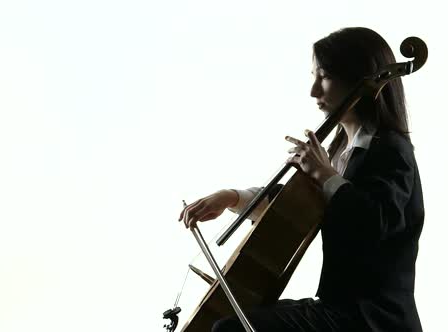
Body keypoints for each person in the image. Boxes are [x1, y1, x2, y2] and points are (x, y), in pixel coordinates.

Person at [178, 27, 425, 332]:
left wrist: (325, 175)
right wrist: (232, 196)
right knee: (231, 322)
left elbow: (374, 222)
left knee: (230, 331)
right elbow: (298, 208)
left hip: (373, 319)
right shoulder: (339, 152)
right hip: (338, 309)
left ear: (359, 78)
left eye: (324, 76)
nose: (314, 91)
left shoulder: (389, 149)